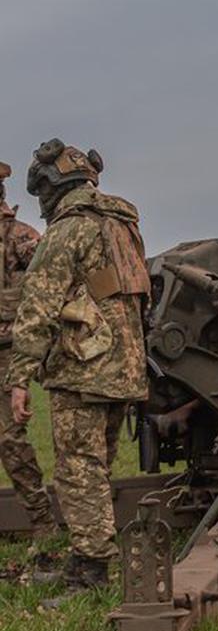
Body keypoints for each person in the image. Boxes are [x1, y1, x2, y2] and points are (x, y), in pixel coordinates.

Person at [6, 140, 150, 591]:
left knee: (78, 472)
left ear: (50, 187)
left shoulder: (68, 230)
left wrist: (18, 378)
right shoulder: (123, 224)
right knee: (97, 467)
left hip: (83, 369)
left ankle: (90, 574)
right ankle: (89, 555)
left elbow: (38, 307)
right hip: (125, 367)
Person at [0, 162, 57, 537]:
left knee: (10, 439)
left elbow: (47, 289)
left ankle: (42, 521)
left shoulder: (21, 237)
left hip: (12, 349)